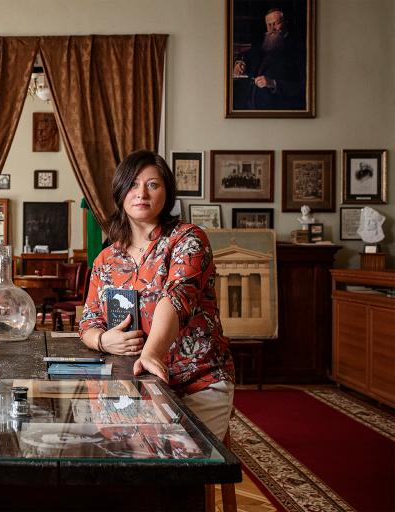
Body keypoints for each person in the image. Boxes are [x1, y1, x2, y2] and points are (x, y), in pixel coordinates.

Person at [79, 150, 235, 440]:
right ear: (120, 192)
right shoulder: (106, 260)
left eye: (153, 184)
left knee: (176, 471)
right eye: (133, 184)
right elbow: (88, 322)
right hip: (132, 385)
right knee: (115, 459)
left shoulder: (188, 239)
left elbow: (176, 299)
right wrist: (102, 340)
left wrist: (151, 354)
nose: (142, 193)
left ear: (167, 193)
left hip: (196, 382)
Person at [232, 8, 305, 110]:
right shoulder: (263, 43)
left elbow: (304, 87)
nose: (272, 29)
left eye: (276, 23)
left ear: (285, 23)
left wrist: (273, 83)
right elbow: (246, 55)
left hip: (278, 112)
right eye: (269, 25)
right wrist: (240, 62)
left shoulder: (298, 48)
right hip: (251, 109)